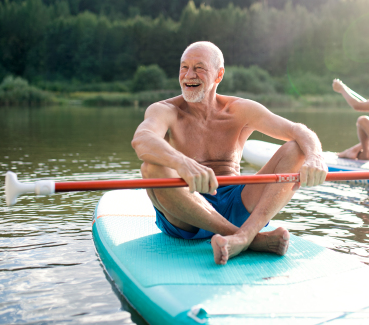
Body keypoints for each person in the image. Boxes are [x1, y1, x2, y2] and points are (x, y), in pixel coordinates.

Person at [131, 41, 327, 265]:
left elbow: (296, 130)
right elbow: (142, 140)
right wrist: (182, 163)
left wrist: (315, 156)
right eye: (184, 67)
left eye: (199, 68)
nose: (189, 75)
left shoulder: (240, 109)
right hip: (186, 214)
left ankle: (245, 235)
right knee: (151, 167)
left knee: (296, 148)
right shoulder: (165, 110)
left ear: (219, 75)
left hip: (237, 203)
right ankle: (250, 239)